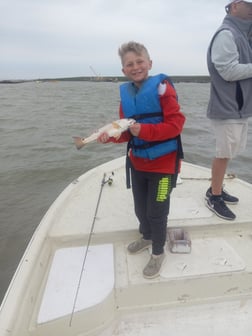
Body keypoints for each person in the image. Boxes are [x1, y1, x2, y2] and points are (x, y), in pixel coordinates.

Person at [98, 41, 185, 279]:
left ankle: (158, 253)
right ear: (124, 70)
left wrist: (144, 131)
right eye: (130, 64)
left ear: (149, 63)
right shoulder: (126, 95)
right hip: (138, 164)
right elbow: (125, 132)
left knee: (157, 211)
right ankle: (147, 237)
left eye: (139, 62)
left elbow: (176, 125)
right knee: (140, 208)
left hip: (164, 168)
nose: (135, 67)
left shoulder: (162, 89)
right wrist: (110, 138)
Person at [205, 0, 252, 220]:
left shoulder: (242, 34)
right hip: (227, 106)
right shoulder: (226, 33)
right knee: (223, 153)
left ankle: (217, 187)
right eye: (250, 5)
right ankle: (213, 196)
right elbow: (228, 71)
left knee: (230, 152)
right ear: (235, 6)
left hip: (240, 108)